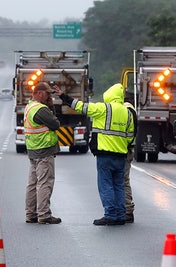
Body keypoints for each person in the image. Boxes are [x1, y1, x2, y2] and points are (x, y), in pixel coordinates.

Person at [53, 83, 135, 226]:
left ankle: (110, 215)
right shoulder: (127, 112)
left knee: (106, 185)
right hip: (121, 155)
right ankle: (121, 215)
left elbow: (80, 106)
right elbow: (130, 135)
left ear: (108, 95)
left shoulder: (103, 108)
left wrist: (63, 96)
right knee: (119, 185)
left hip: (105, 154)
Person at [24, 82, 62, 224]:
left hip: (33, 149)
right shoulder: (41, 109)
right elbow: (55, 124)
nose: (49, 97)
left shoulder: (30, 107)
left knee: (32, 183)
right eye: (47, 94)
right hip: (44, 149)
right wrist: (51, 106)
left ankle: (31, 214)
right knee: (45, 182)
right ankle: (44, 214)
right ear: (39, 93)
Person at [124, 96, 137, 223]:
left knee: (123, 181)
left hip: (125, 150)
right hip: (128, 149)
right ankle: (126, 210)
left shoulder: (127, 110)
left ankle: (127, 210)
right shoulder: (132, 110)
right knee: (124, 180)